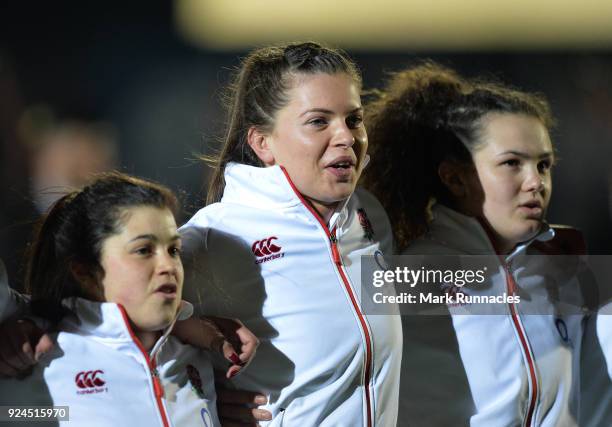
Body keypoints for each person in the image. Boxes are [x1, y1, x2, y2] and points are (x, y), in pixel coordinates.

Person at [180, 41, 402, 426]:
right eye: (319, 121)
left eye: (353, 119)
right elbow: (104, 328)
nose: (347, 137)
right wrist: (200, 398)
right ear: (262, 143)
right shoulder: (215, 235)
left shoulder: (369, 216)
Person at [363, 62, 597, 426]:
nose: (536, 182)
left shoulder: (562, 263)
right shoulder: (413, 275)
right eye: (512, 163)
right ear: (455, 178)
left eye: (544, 164)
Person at [0, 172, 222, 426]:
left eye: (173, 250)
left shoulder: (198, 357)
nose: (168, 265)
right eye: (143, 250)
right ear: (85, 271)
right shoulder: (38, 361)